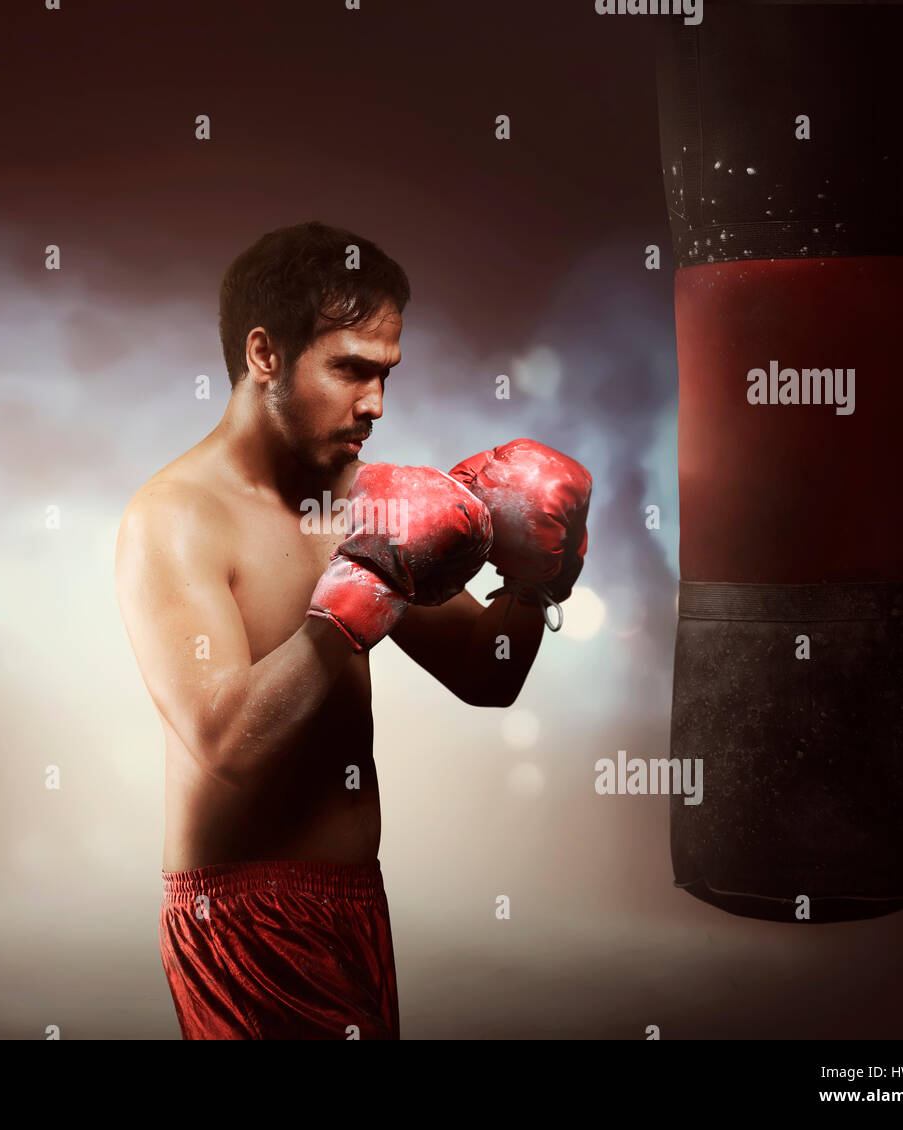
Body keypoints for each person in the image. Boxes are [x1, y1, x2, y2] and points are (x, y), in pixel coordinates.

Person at [114, 220, 591, 1039]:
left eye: (386, 375)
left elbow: (487, 673)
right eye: (350, 370)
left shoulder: (358, 496)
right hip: (245, 917)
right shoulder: (176, 518)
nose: (374, 403)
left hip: (357, 904)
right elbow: (227, 746)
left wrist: (536, 576)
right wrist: (367, 587)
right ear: (265, 355)